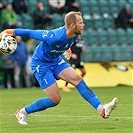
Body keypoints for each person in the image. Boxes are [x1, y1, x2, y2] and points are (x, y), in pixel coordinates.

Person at [0, 11, 118, 125]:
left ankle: (101, 109)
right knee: (55, 99)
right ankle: (22, 112)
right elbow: (31, 33)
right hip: (41, 65)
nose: (83, 25)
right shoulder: (54, 36)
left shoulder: (74, 34)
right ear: (72, 25)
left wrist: (68, 49)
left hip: (55, 61)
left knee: (78, 79)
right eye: (81, 23)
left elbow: (65, 43)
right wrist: (8, 31)